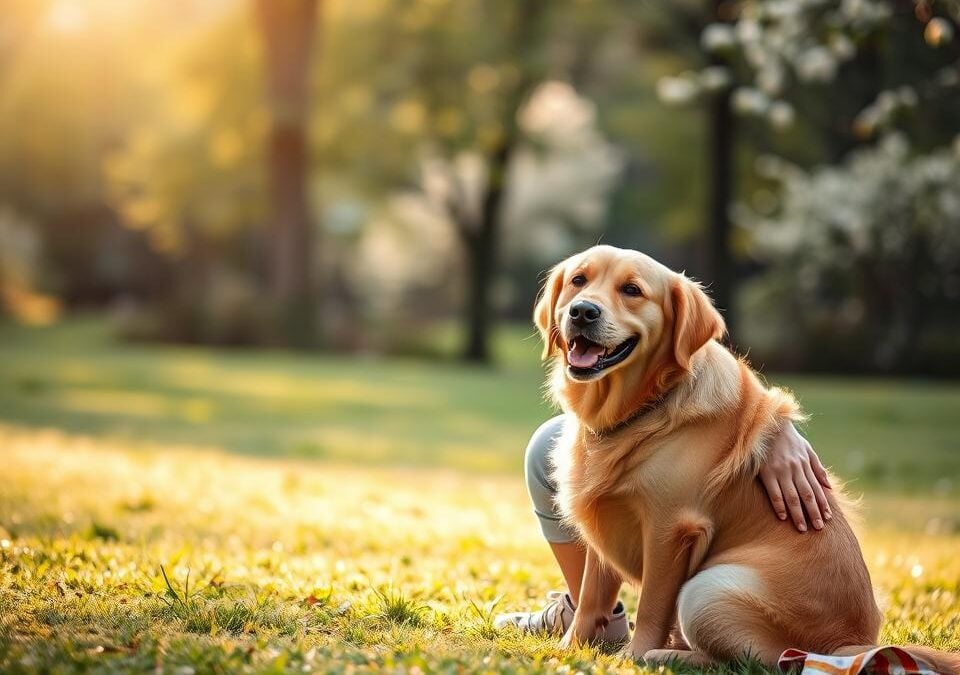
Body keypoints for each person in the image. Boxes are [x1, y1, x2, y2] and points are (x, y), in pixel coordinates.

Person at [494, 415, 833, 641]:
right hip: (638, 402)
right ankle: (590, 612)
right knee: (549, 445)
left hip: (775, 595)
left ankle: (681, 629)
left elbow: (709, 360)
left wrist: (772, 420)